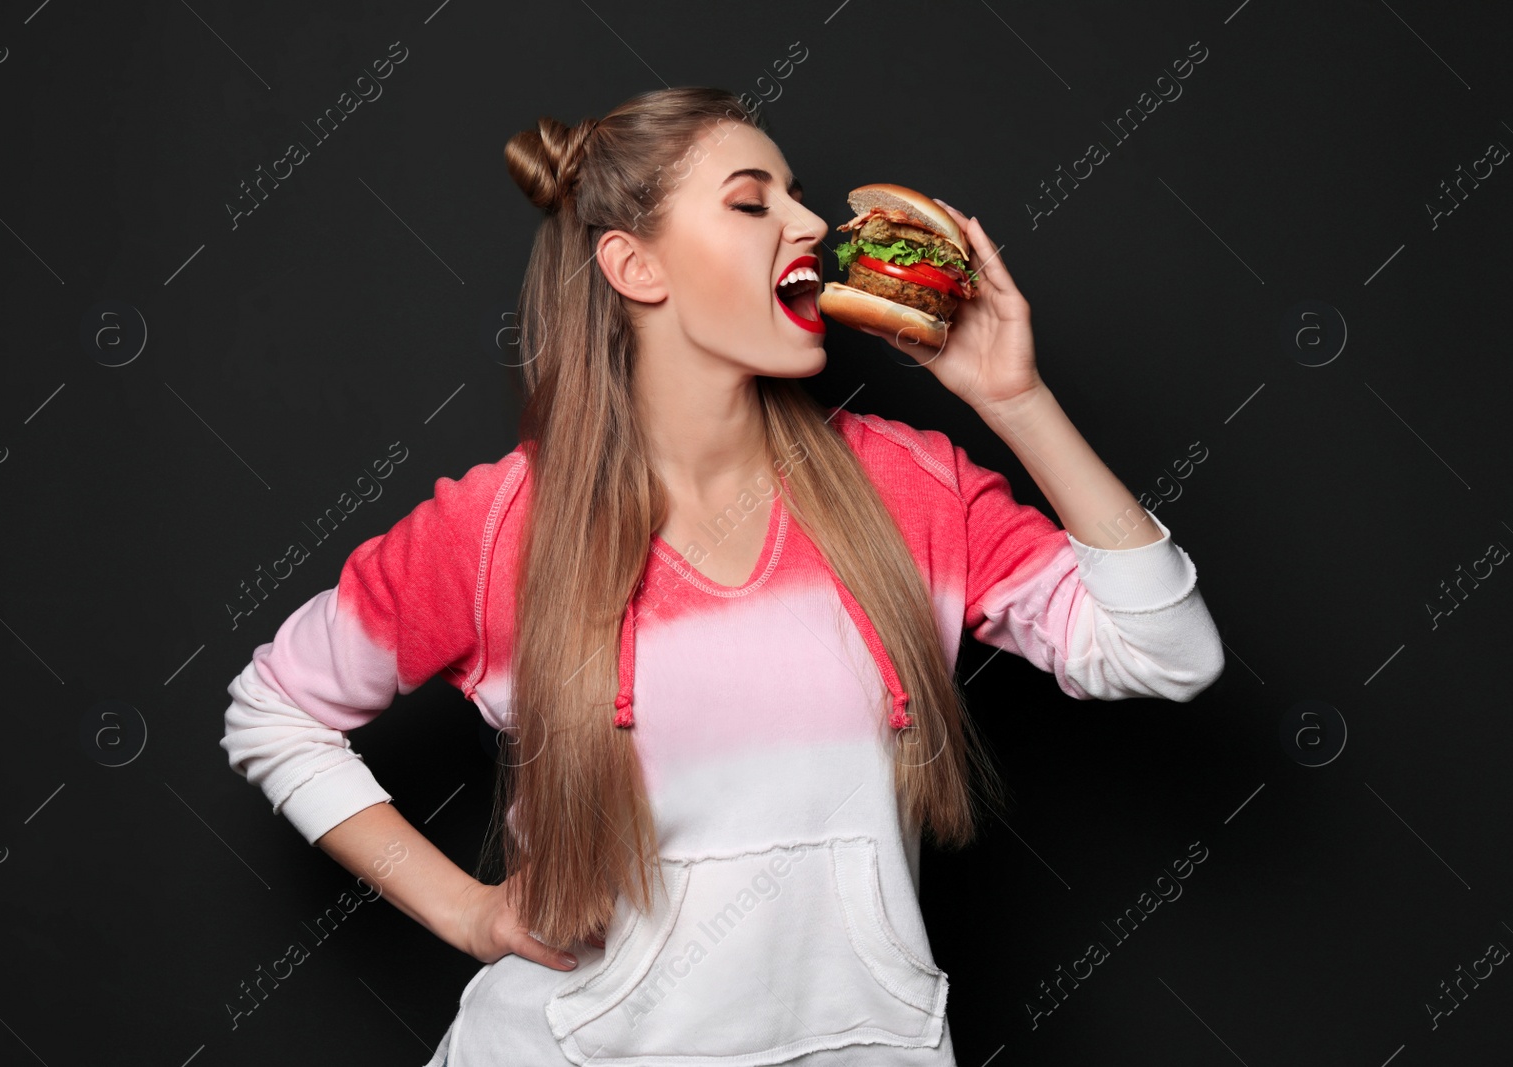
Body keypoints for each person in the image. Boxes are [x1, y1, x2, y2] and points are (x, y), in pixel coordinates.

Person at [219, 85, 1226, 1066]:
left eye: (796, 196)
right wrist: (468, 910)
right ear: (635, 266)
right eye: (753, 202)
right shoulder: (497, 530)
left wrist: (1014, 398)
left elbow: (1165, 652)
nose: (811, 223)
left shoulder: (908, 486)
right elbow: (274, 710)